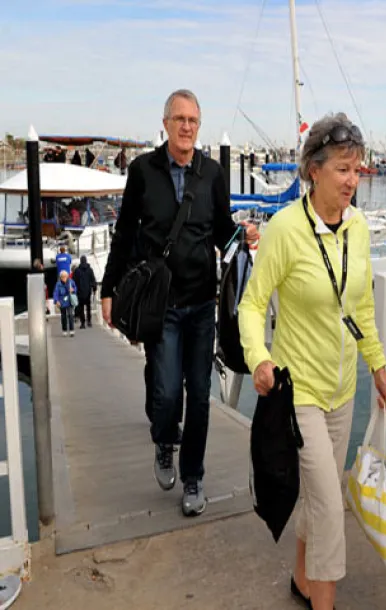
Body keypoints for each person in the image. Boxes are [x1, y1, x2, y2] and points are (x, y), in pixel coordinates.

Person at [238, 113, 386, 610]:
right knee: (330, 508)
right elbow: (251, 303)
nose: (352, 180)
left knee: (319, 498)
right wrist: (259, 358)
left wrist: (378, 366)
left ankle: (301, 580)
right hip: (298, 393)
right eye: (342, 170)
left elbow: (363, 308)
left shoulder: (359, 230)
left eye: (357, 170)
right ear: (314, 170)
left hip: (342, 389)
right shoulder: (285, 229)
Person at [100, 89, 259, 517]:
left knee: (201, 395)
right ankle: (164, 440)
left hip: (202, 302)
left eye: (193, 120)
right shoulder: (142, 171)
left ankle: (194, 477)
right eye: (179, 119)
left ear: (198, 126)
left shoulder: (212, 174)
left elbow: (221, 228)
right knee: (168, 393)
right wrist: (107, 290)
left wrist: (241, 236)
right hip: (161, 304)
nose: (187, 126)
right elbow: (123, 235)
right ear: (166, 123)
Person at [73, 255, 97, 329]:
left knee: (81, 308)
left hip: (79, 292)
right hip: (88, 292)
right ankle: (89, 321)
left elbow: (74, 281)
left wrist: (74, 290)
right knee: (88, 307)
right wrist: (94, 288)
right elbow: (93, 280)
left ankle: (82, 323)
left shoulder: (77, 271)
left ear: (80, 261)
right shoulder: (90, 270)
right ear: (86, 261)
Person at [53, 270, 78, 337]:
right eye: (62, 277)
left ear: (67, 276)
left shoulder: (71, 282)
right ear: (60, 277)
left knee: (70, 315)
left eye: (65, 276)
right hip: (62, 302)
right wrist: (56, 301)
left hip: (69, 301)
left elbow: (75, 288)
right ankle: (64, 330)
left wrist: (73, 290)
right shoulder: (58, 284)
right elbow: (56, 292)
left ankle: (72, 330)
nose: (64, 278)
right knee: (63, 316)